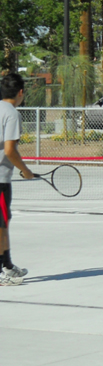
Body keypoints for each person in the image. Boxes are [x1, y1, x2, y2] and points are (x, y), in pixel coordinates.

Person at [0, 73, 34, 286]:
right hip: (1, 179)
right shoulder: (11, 114)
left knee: (4, 222)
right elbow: (10, 150)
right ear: (20, 92)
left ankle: (8, 266)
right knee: (2, 225)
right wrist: (26, 170)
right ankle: (3, 272)